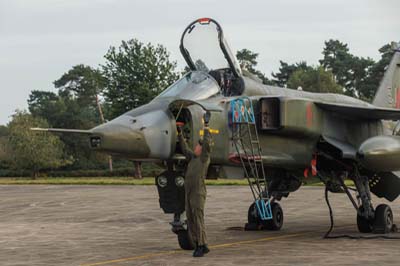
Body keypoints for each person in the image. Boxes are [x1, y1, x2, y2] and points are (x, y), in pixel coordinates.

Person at [177, 111, 212, 257]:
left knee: (198, 219)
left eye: (199, 146)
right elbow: (184, 148)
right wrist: (179, 133)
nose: (196, 148)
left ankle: (201, 245)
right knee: (191, 219)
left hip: (198, 192)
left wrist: (206, 126)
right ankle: (201, 243)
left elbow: (207, 143)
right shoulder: (192, 158)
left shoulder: (204, 158)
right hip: (189, 192)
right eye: (197, 146)